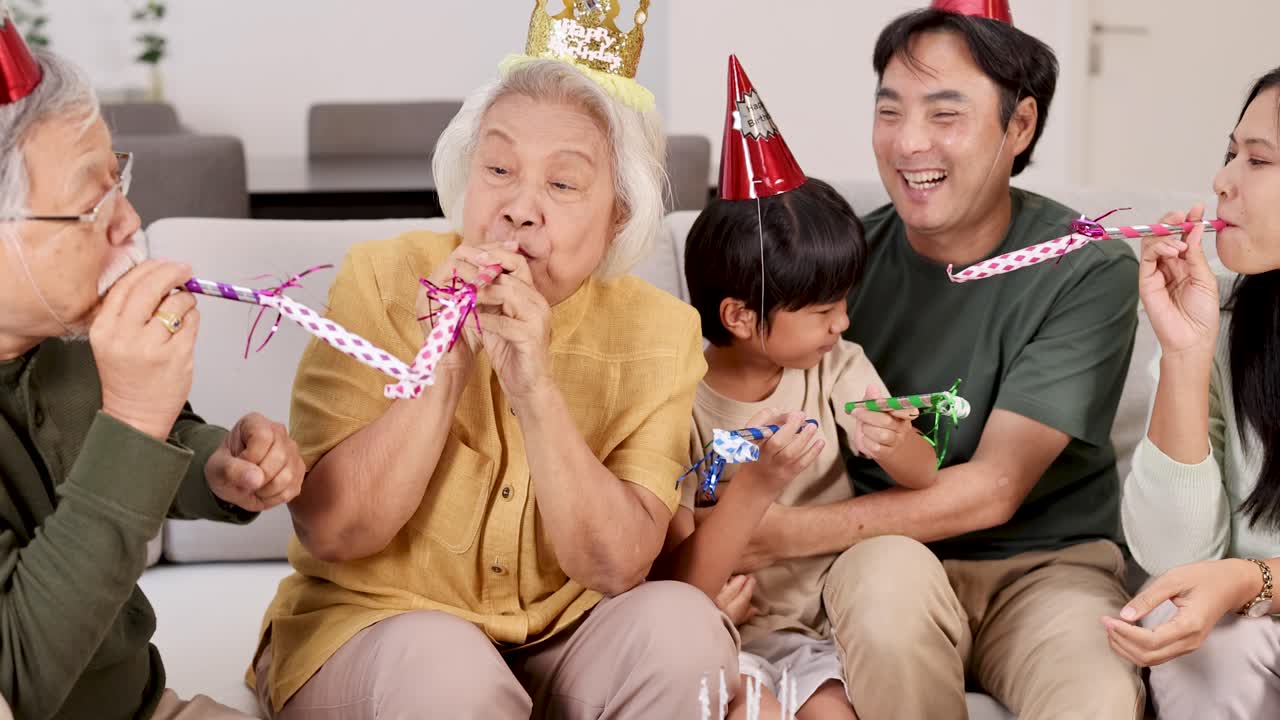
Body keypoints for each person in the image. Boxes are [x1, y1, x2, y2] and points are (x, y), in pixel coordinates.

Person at [250, 3, 737, 718]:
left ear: (619, 217)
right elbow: (332, 530)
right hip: (382, 629)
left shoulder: (662, 332)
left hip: (568, 637)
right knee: (449, 672)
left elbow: (619, 566)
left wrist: (535, 390)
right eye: (499, 168)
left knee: (686, 631)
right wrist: (441, 367)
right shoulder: (380, 280)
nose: (519, 208)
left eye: (563, 184)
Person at [728, 3, 1144, 719]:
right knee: (886, 596)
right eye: (890, 111)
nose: (909, 142)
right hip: (882, 560)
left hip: (1047, 570)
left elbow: (994, 489)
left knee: (1096, 698)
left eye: (945, 114)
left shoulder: (1085, 267)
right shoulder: (835, 270)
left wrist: (777, 537)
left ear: (1020, 126)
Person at [0, 21, 304, 720]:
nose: (129, 220)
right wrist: (134, 416)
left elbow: (149, 443)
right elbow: (18, 678)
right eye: (91, 204)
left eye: (121, 179)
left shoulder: (70, 333)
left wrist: (213, 466)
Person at [656, 57, 936, 720]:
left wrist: (896, 442)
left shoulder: (835, 366)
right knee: (747, 707)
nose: (841, 323)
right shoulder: (675, 399)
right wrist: (754, 490)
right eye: (821, 310)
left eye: (844, 302)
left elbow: (923, 474)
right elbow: (677, 580)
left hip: (813, 630)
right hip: (716, 628)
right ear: (739, 317)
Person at [1104, 67, 1280, 720]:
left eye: (1257, 160)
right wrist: (1183, 352)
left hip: (1256, 596)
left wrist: (1250, 577)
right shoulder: (1228, 325)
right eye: (1230, 153)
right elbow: (1174, 560)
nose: (1222, 180)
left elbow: (1231, 577)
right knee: (1205, 655)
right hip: (1250, 624)